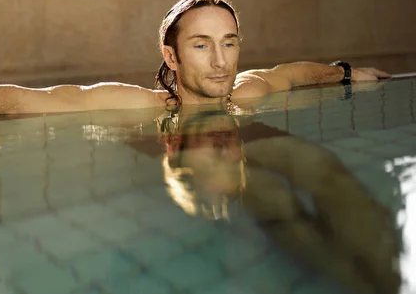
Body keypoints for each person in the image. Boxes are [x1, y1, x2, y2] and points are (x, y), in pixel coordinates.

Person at [0, 0, 390, 130]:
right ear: (170, 55)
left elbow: (294, 73)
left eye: (229, 42)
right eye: (201, 45)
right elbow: (23, 100)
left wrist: (347, 73)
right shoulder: (137, 106)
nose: (220, 62)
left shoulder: (247, 91)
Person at [148, 107, 401, 294]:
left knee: (320, 169)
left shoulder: (238, 91)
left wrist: (345, 73)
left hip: (246, 148)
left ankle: (389, 280)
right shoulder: (164, 104)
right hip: (206, 162)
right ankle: (361, 283)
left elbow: (285, 76)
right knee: (272, 197)